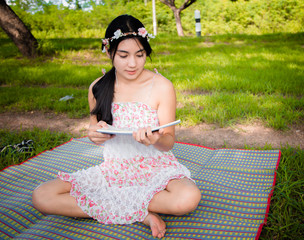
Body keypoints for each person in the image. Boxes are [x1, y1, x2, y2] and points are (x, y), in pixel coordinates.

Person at [32, 14, 201, 239]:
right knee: (42, 196)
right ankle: (140, 212)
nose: (132, 63)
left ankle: (116, 204)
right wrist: (95, 135)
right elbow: (96, 131)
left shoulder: (161, 86)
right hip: (114, 172)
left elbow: (168, 141)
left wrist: (156, 139)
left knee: (187, 198)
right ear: (109, 52)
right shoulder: (98, 88)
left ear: (146, 53)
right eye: (123, 55)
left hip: (156, 170)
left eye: (139, 55)